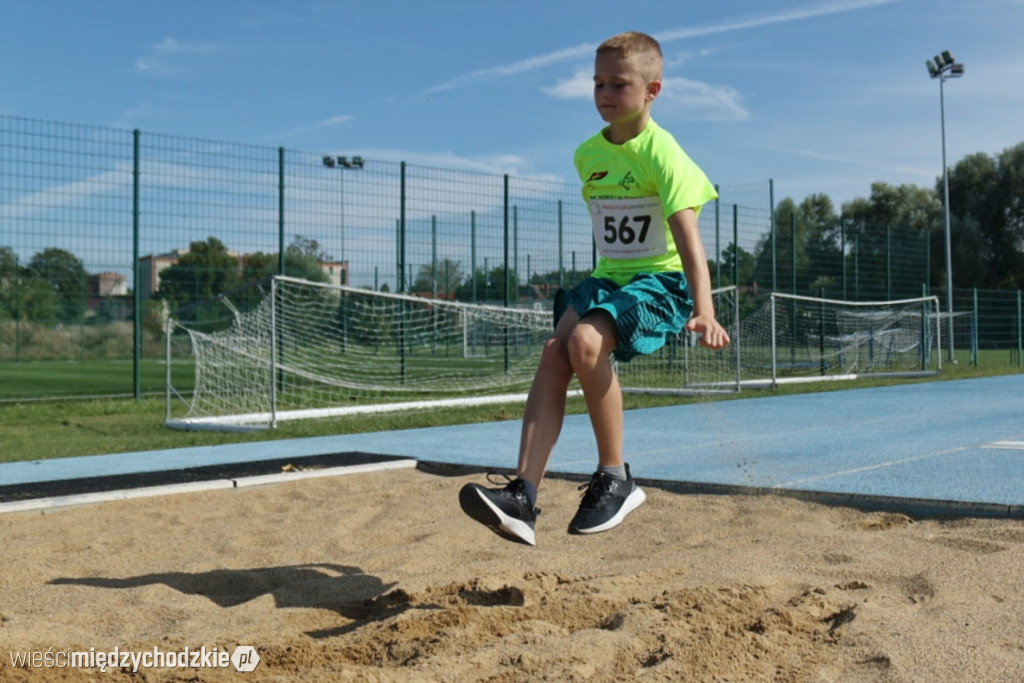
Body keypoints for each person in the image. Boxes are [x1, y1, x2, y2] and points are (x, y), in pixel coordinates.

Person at [459, 31, 730, 545]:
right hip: (609, 280)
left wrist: (705, 308)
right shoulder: (587, 155)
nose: (605, 93)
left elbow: (688, 238)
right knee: (555, 351)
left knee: (584, 342)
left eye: (619, 84)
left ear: (652, 90)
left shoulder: (664, 153)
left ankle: (615, 477)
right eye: (598, 83)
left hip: (661, 283)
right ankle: (523, 495)